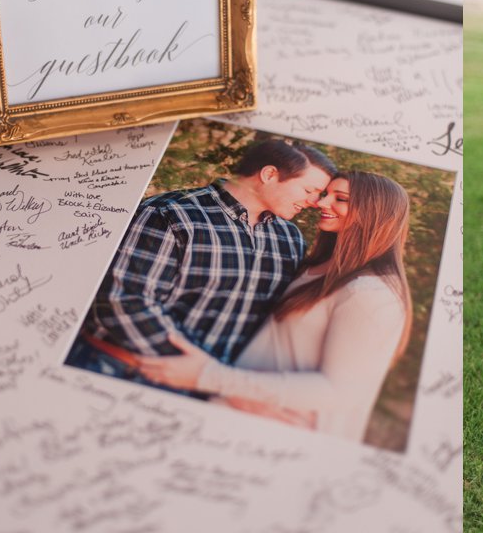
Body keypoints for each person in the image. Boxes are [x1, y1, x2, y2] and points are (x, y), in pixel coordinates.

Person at [136, 171, 413, 442]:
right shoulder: (316, 266)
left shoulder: (370, 293)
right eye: (326, 194)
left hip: (276, 437)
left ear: (375, 212)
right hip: (232, 415)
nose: (321, 203)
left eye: (340, 198)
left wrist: (210, 377)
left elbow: (337, 391)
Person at [67, 138, 336, 383]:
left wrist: (214, 379)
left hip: (210, 389)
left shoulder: (290, 239)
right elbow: (123, 300)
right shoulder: (172, 214)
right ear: (269, 174)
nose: (314, 202)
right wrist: (201, 370)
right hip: (118, 371)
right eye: (310, 189)